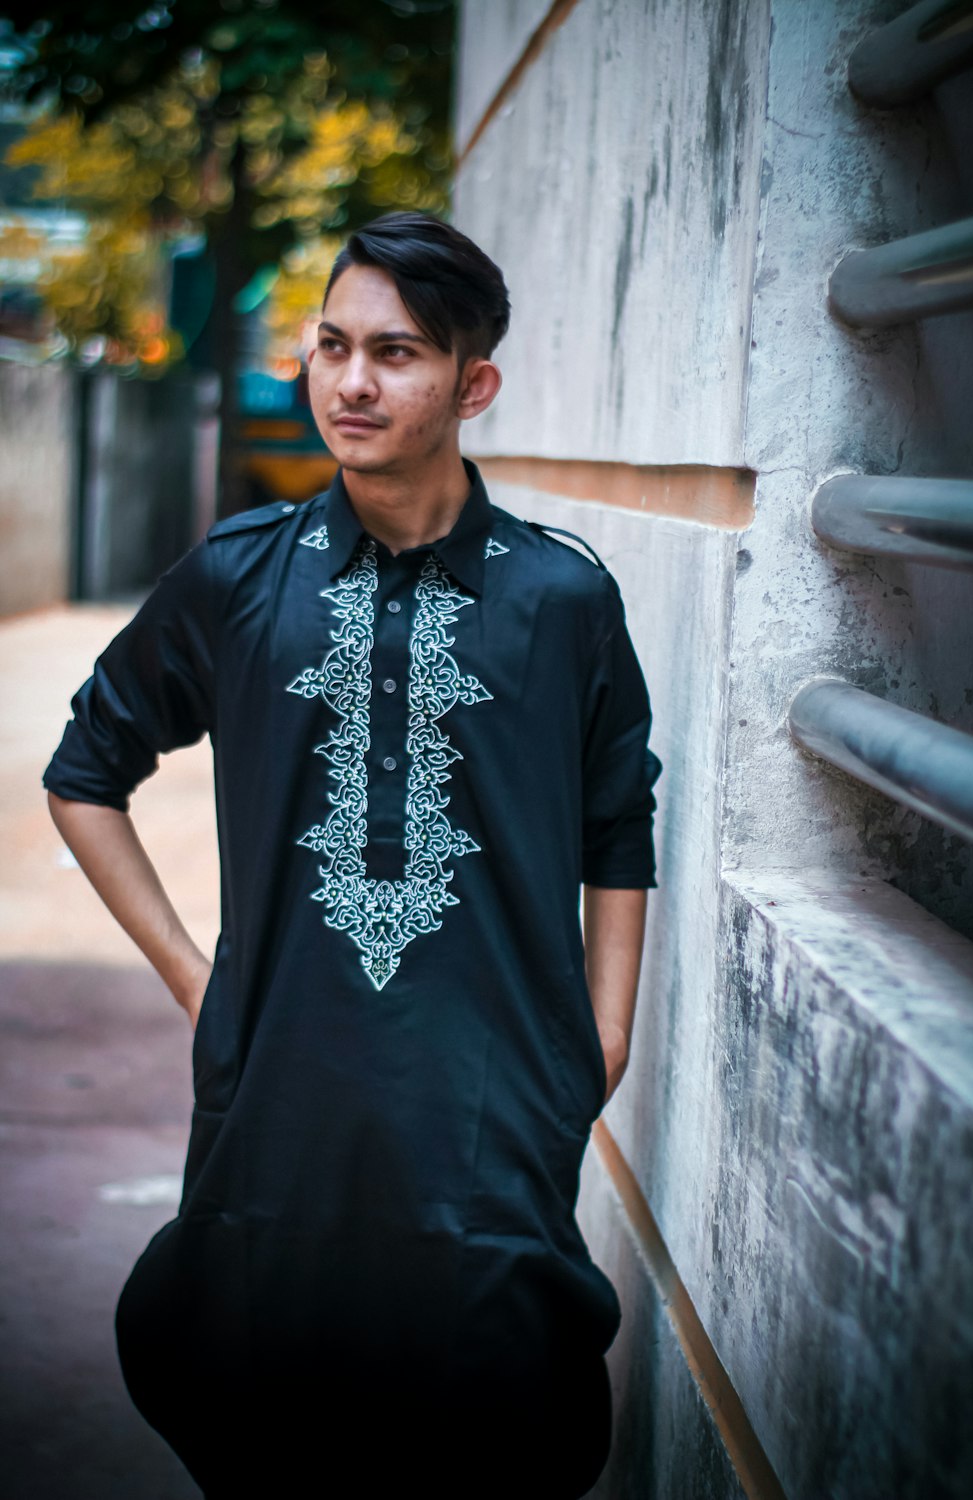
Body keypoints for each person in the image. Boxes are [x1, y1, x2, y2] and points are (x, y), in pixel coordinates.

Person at [43, 210, 662, 1499]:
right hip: (280, 1089)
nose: (353, 383)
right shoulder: (238, 577)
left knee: (493, 1417)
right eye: (332, 346)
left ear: (472, 384)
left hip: (494, 1094)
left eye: (397, 353)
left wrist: (604, 1034)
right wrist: (197, 980)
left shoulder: (562, 596)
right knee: (264, 1399)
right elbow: (85, 776)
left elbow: (618, 819)